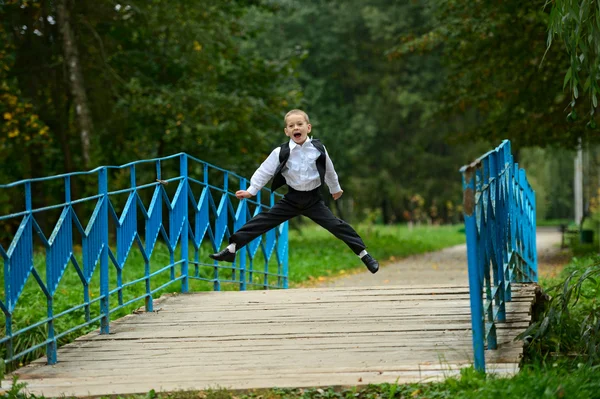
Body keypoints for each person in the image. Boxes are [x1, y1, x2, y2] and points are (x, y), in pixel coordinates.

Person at [209, 109, 379, 274]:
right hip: (292, 199)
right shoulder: (281, 152)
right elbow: (264, 171)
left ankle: (364, 255)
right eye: (291, 126)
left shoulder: (318, 149)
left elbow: (329, 170)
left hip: (313, 200)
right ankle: (231, 249)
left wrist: (335, 189)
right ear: (286, 131)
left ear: (308, 127)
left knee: (336, 225)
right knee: (262, 220)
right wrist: (251, 191)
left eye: (299, 124)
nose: (296, 128)